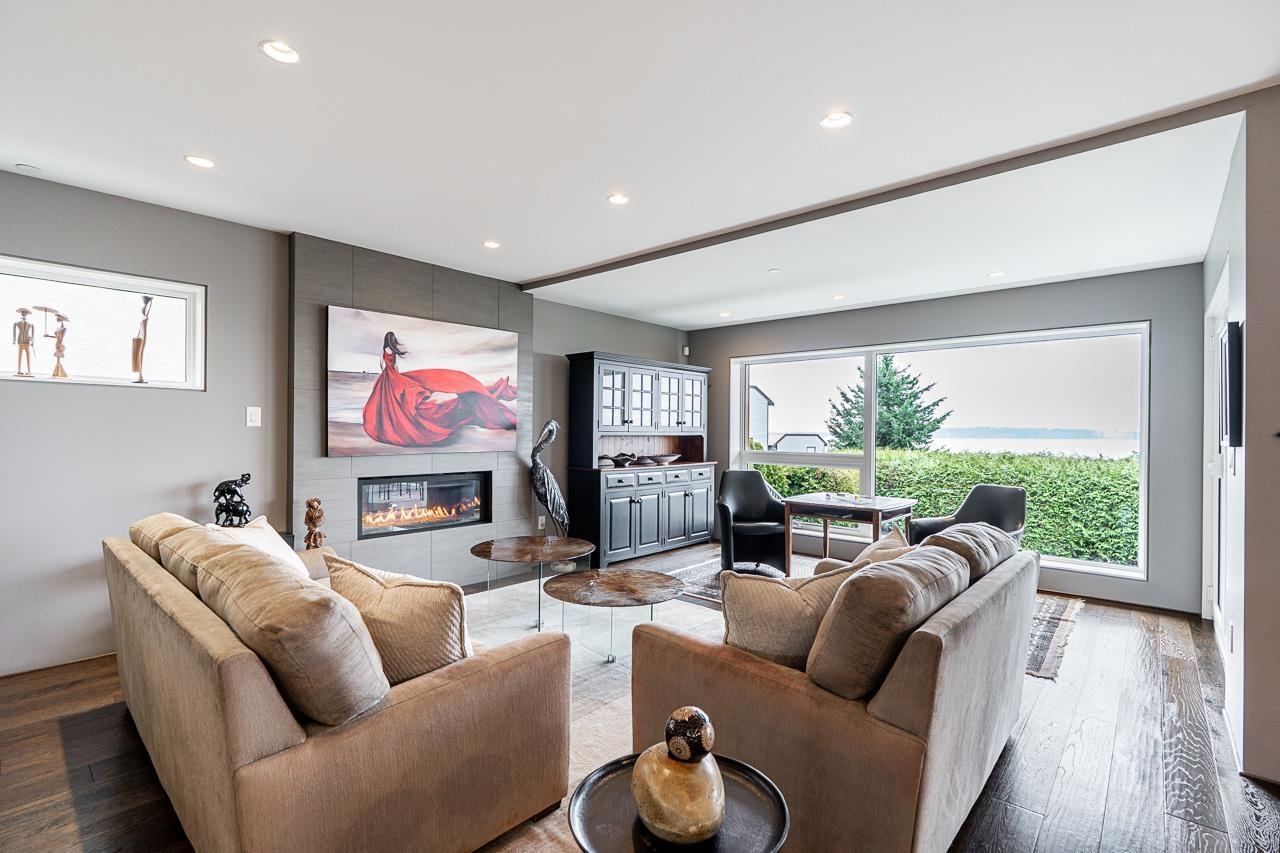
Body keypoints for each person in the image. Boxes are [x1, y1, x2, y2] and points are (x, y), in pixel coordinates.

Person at [362, 331, 517, 447]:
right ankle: (399, 423)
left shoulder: (386, 351)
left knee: (395, 402)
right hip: (392, 377)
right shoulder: (390, 351)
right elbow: (391, 366)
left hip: (390, 377)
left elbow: (389, 366)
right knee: (399, 401)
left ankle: (394, 424)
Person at [132, 295, 153, 383]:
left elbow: (144, 314)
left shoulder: (144, 320)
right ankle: (139, 376)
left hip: (142, 338)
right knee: (138, 354)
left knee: (140, 354)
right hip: (141, 337)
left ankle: (140, 376)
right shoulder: (143, 320)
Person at [13, 308, 35, 376]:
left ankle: (29, 370)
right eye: (23, 313)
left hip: (27, 341)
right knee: (20, 356)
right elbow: (14, 332)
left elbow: (33, 334)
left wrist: (32, 341)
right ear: (21, 313)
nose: (24, 314)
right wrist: (14, 340)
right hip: (20, 341)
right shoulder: (17, 323)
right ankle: (19, 370)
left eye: (25, 313)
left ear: (27, 314)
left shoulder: (31, 324)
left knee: (28, 356)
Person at [51, 313, 69, 378]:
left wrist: (59, 345)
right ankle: (58, 371)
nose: (57, 319)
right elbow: (57, 337)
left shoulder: (63, 329)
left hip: (60, 345)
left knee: (58, 358)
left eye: (58, 318)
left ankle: (59, 371)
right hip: (57, 343)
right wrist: (48, 336)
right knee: (57, 358)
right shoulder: (59, 328)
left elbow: (62, 338)